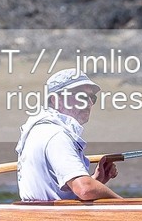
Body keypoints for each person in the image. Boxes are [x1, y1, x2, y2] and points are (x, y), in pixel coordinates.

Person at [16, 68, 121, 201]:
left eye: (92, 97)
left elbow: (55, 190)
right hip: (51, 219)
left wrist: (95, 181)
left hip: (43, 216)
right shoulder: (56, 135)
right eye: (82, 96)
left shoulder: (40, 130)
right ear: (56, 100)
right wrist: (124, 204)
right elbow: (84, 190)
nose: (89, 102)